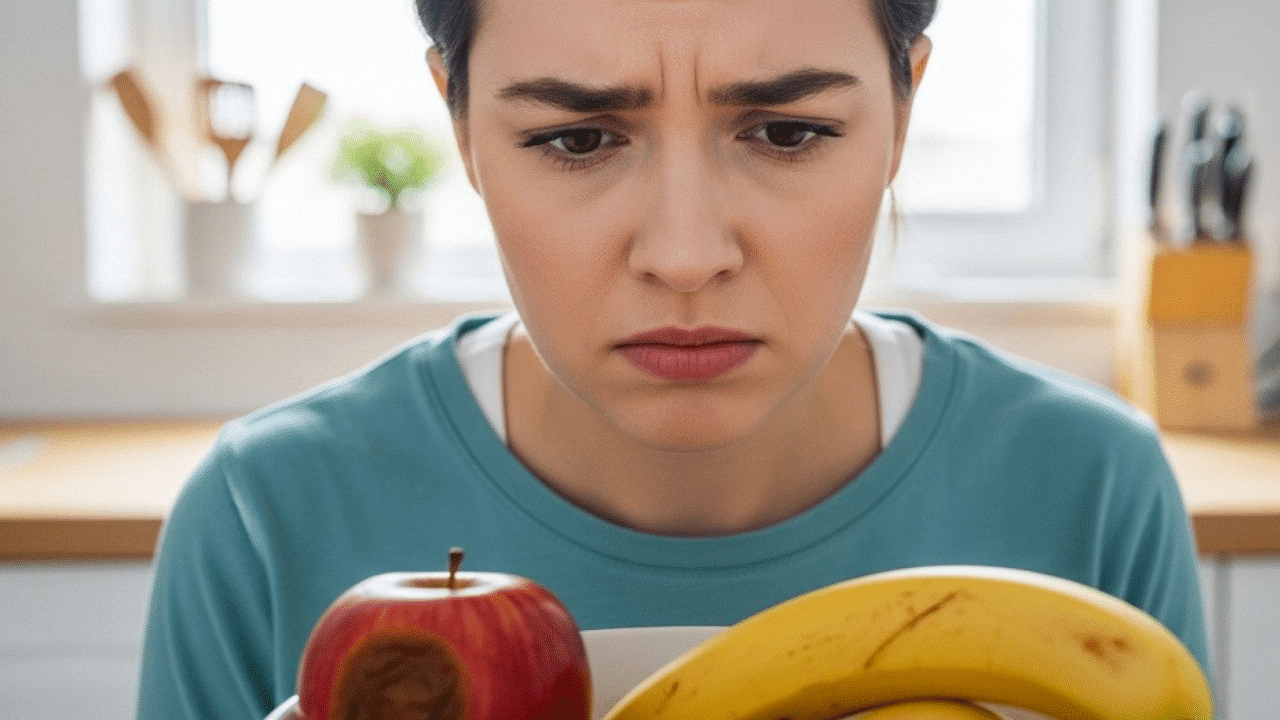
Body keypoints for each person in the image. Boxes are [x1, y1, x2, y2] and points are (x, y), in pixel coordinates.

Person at [135, 0, 1211, 718]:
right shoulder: (266, 513)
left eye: (786, 133)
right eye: (577, 140)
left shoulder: (1088, 489)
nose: (686, 256)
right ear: (458, 129)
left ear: (902, 110)